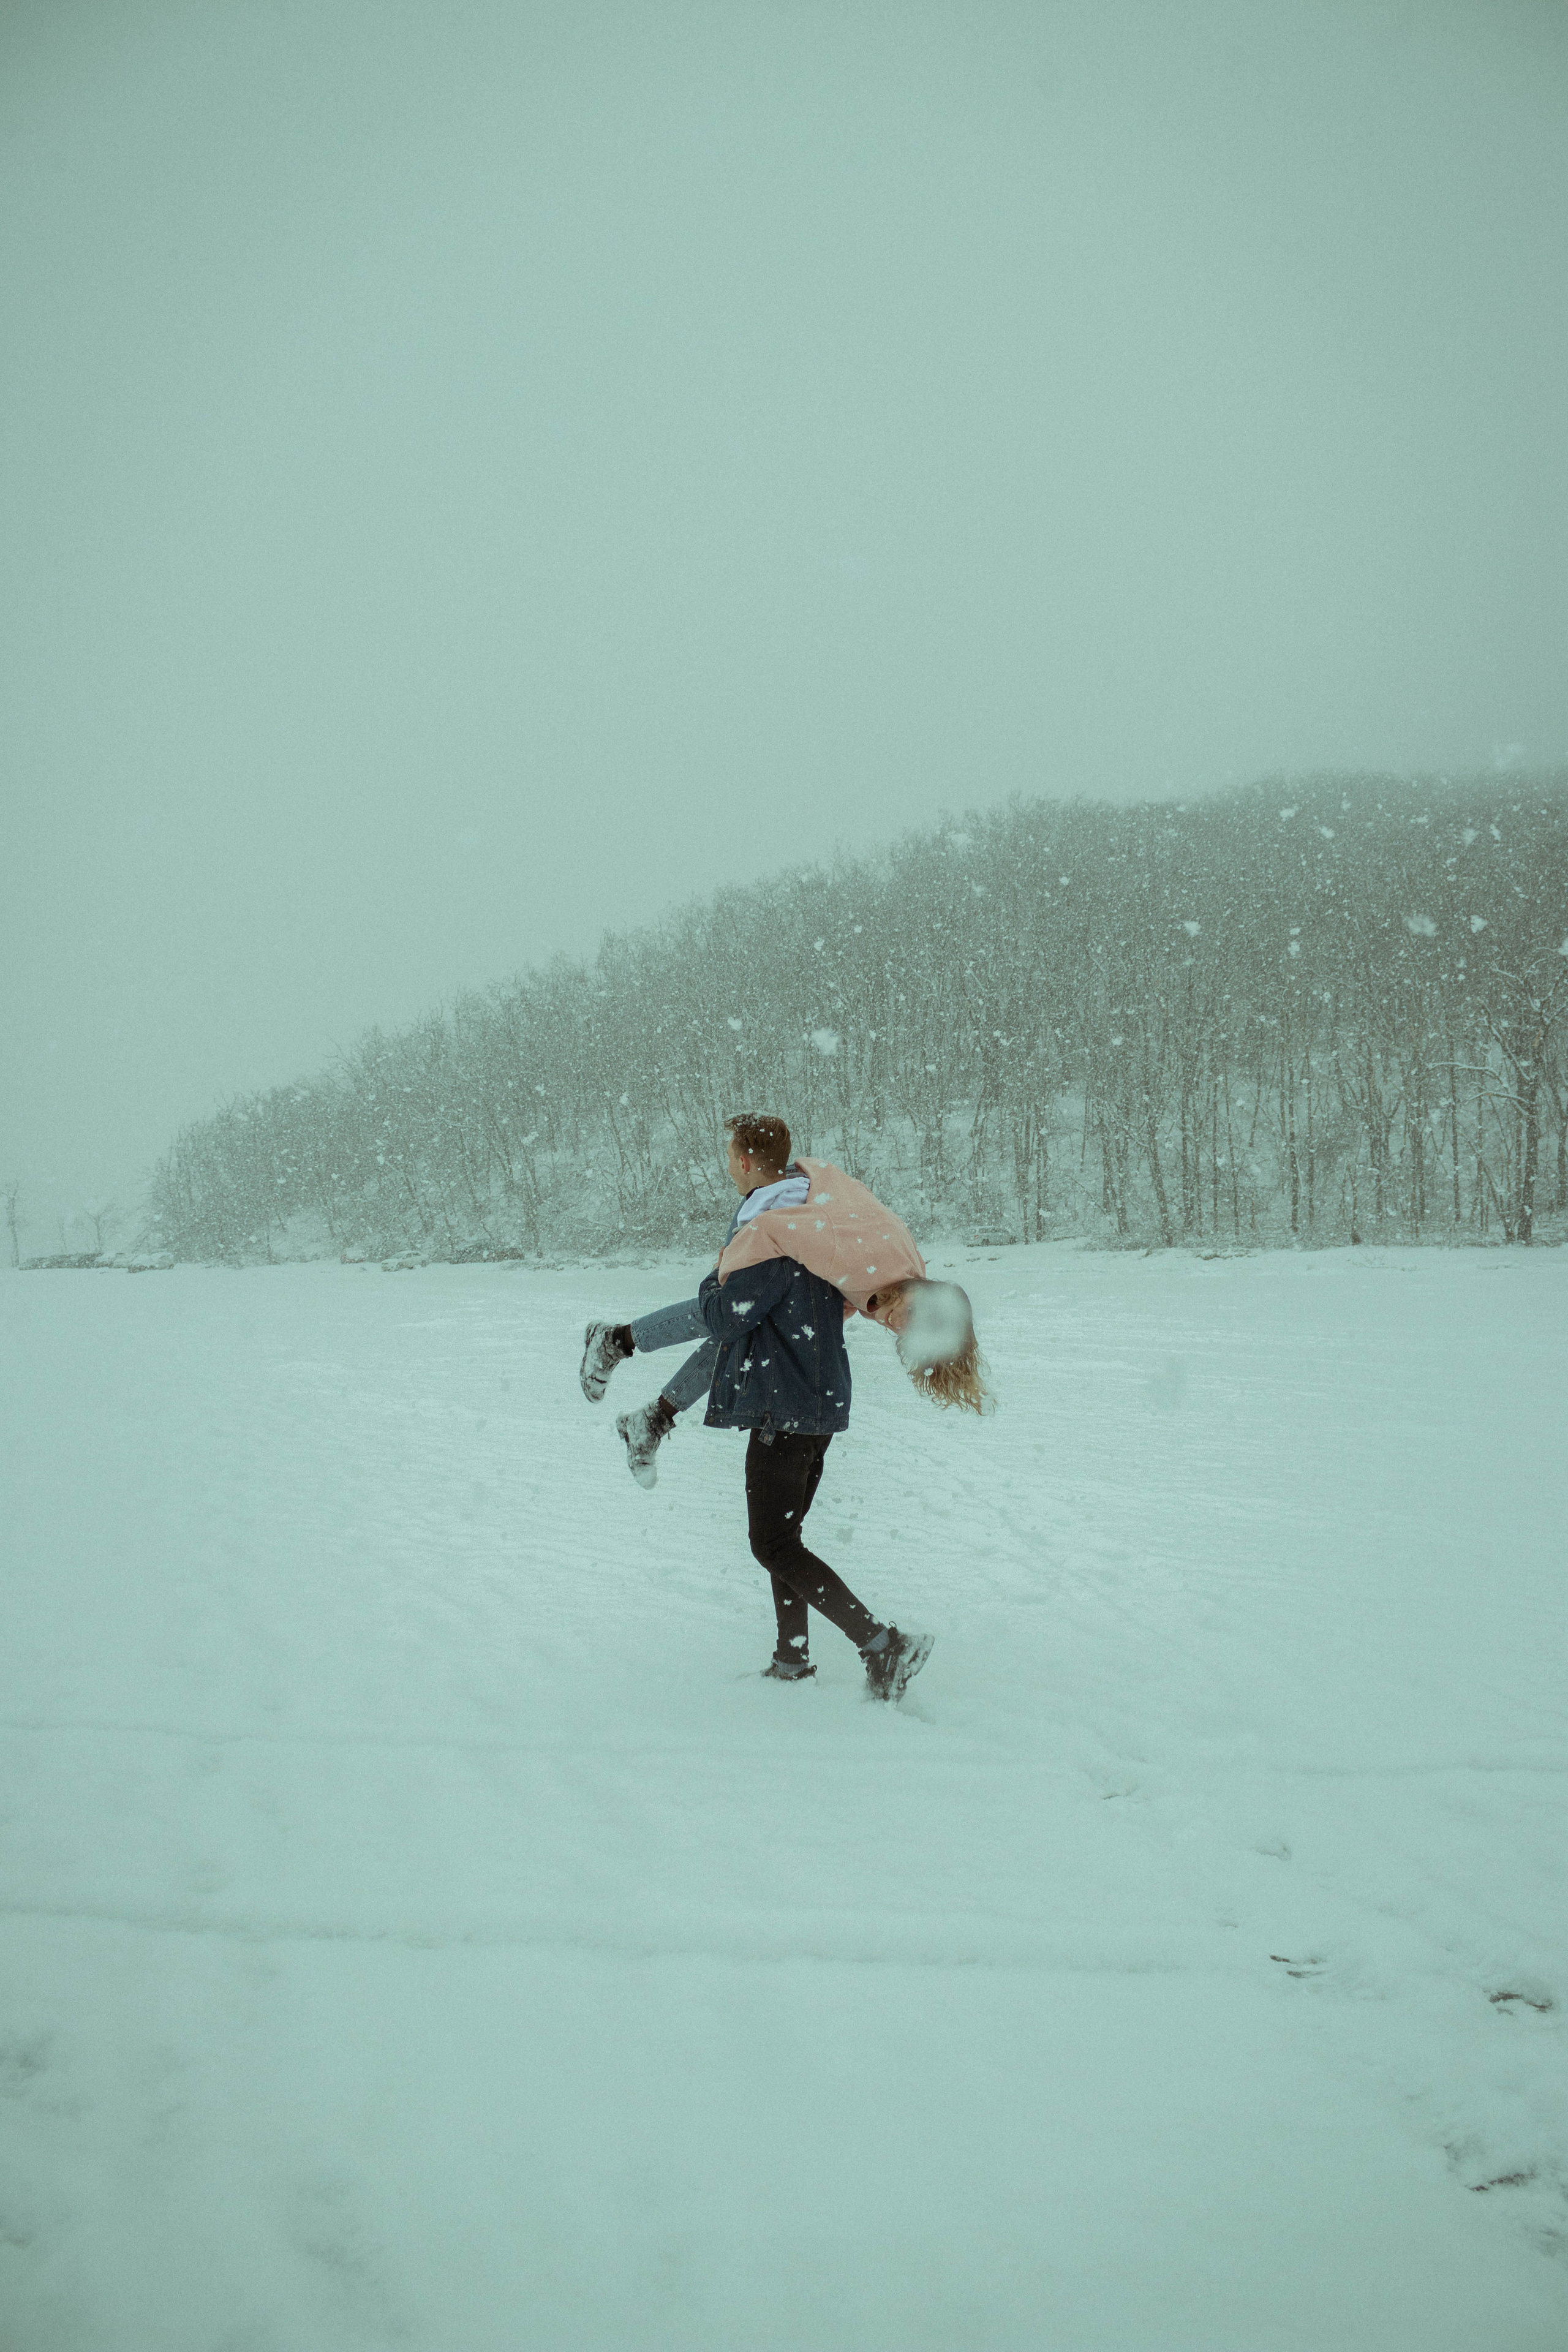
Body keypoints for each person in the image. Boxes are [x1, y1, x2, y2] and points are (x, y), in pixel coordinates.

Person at [579, 1113, 951, 1701]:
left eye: (729, 1157)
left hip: (789, 1406)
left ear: (747, 1162)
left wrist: (713, 1279)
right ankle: (792, 1656)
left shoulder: (772, 1235)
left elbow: (726, 1316)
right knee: (787, 1538)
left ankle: (884, 1646)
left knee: (773, 1544)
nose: (727, 1167)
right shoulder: (817, 1224)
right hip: (819, 1400)